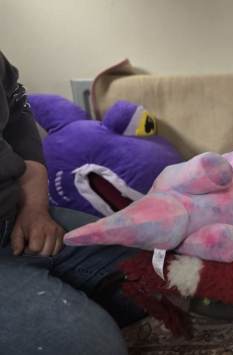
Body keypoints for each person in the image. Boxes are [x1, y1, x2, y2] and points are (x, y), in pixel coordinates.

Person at [0, 50, 143, 355]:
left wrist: (34, 206)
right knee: (94, 347)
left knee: (163, 275)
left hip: (13, 218)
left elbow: (16, 102)